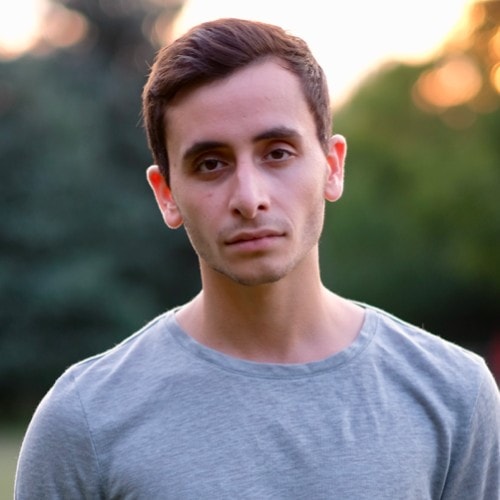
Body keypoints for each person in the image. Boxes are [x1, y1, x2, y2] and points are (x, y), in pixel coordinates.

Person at [15, 18, 499, 499]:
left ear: (332, 167)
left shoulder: (456, 396)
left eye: (278, 153)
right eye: (211, 164)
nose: (249, 198)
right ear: (166, 195)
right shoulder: (84, 423)